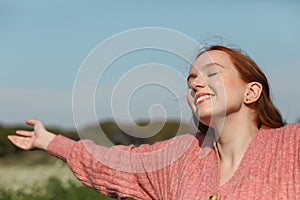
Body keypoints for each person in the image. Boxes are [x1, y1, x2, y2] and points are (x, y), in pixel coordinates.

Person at [8, 45, 300, 199]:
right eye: (191, 80)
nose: (196, 84)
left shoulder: (291, 147)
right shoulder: (178, 159)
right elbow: (112, 163)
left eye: (211, 74)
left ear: (251, 91)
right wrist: (50, 142)